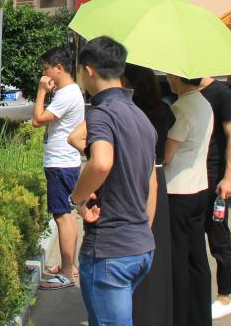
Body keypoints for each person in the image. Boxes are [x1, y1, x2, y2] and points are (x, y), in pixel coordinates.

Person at [67, 37, 157, 326]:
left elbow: (101, 162)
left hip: (110, 250)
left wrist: (77, 199)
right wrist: (141, 232)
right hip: (140, 247)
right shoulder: (141, 117)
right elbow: (152, 183)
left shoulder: (102, 115)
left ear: (89, 70)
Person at [32, 45, 85, 291]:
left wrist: (41, 91)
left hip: (60, 163)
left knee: (62, 216)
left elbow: (37, 120)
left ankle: (66, 274)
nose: (44, 74)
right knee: (68, 216)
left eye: (46, 69)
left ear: (59, 68)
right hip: (66, 162)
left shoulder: (66, 94)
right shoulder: (69, 92)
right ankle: (69, 266)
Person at [126, 65, 174, 326]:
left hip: (137, 177)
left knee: (136, 244)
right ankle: (159, 315)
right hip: (159, 176)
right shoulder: (164, 111)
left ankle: (137, 313)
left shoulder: (131, 112)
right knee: (158, 249)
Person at [164, 75, 214, 326]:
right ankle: (201, 317)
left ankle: (180, 317)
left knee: (178, 259)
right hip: (200, 187)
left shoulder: (180, 108)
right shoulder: (205, 103)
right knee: (198, 258)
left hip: (178, 190)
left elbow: (167, 155)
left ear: (177, 77)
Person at [199, 77, 231, 321]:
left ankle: (225, 297)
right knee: (192, 239)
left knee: (219, 237)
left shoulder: (221, 93)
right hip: (192, 177)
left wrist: (228, 177)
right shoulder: (186, 91)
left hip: (215, 178)